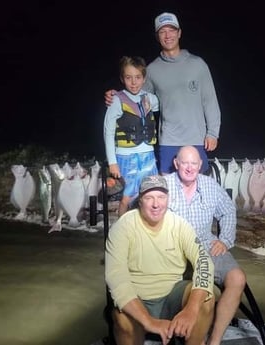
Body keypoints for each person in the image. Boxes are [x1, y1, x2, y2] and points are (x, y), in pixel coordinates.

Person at [105, 12, 221, 175]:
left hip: (197, 139)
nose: (168, 35)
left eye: (171, 30)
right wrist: (115, 95)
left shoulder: (198, 65)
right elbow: (135, 95)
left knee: (197, 188)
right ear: (157, 36)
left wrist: (213, 133)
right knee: (167, 191)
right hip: (168, 141)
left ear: (179, 33)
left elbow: (210, 101)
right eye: (162, 31)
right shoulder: (152, 70)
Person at [104, 175, 215, 345]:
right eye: (149, 198)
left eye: (161, 197)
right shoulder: (123, 227)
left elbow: (203, 261)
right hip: (137, 297)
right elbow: (116, 280)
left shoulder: (179, 224)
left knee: (206, 300)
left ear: (168, 199)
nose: (156, 204)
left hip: (172, 295)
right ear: (140, 201)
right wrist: (149, 322)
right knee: (122, 318)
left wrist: (191, 310)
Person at [163, 146, 247, 345]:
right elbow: (142, 207)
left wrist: (224, 239)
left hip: (207, 245)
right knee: (196, 292)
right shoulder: (164, 185)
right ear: (176, 164)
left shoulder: (210, 186)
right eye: (185, 163)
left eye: (194, 163)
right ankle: (192, 335)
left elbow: (228, 211)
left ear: (201, 165)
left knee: (237, 278)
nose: (190, 168)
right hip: (174, 251)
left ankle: (214, 340)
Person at [103, 56, 159, 217]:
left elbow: (169, 103)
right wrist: (112, 162)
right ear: (122, 78)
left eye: (138, 77)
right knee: (126, 199)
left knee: (149, 195)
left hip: (148, 156)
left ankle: (146, 231)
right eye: (128, 78)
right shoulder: (116, 100)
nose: (133, 82)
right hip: (125, 158)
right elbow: (108, 132)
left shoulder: (151, 99)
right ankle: (122, 233)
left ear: (144, 78)